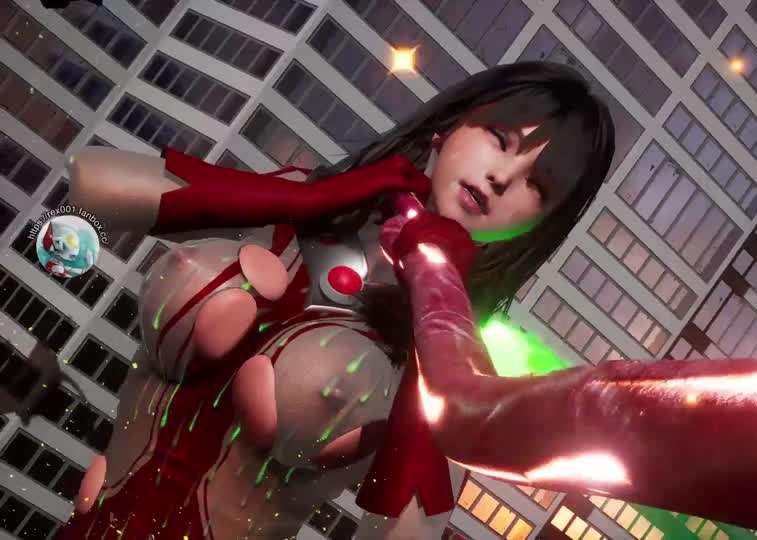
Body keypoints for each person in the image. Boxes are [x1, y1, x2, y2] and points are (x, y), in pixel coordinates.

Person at [55, 61, 615, 539]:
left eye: (536, 185)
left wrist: (436, 305)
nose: (501, 177)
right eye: (500, 138)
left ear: (536, 227)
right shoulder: (296, 204)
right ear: (449, 127)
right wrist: (308, 198)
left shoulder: (454, 365)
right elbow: (93, 181)